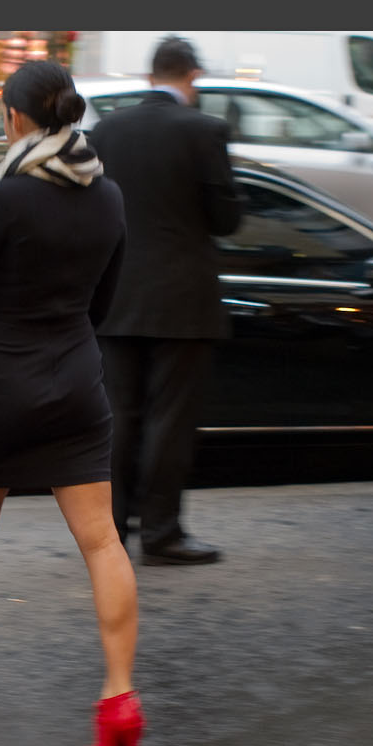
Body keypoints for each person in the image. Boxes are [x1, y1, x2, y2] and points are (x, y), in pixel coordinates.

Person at [0, 59, 145, 746]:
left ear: (16, 119)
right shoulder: (108, 197)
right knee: (104, 542)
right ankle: (119, 701)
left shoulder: (2, 200)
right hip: (77, 383)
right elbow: (102, 306)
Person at [86, 36, 244, 566]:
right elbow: (226, 220)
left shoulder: (107, 129)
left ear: (151, 75)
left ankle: (108, 534)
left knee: (120, 417)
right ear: (192, 77)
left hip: (117, 296)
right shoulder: (205, 131)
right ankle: (162, 532)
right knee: (169, 419)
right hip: (183, 299)